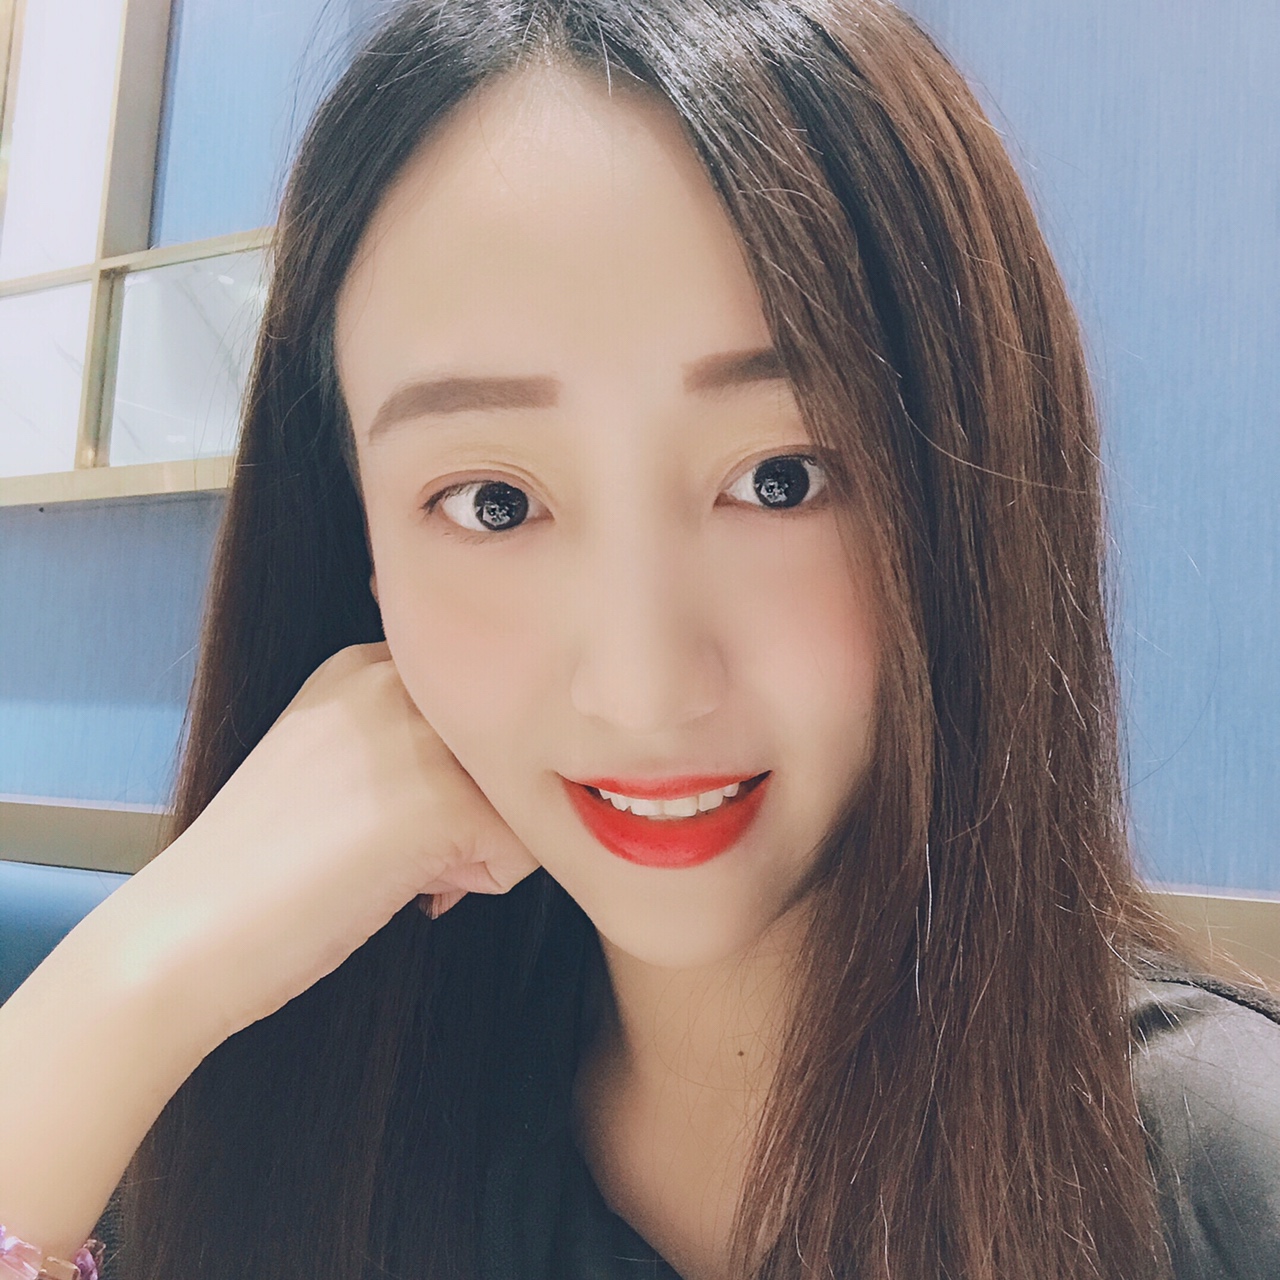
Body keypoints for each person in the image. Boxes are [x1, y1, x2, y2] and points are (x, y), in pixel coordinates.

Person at [1, 2, 1277, 1278]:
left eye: (779, 479)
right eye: (492, 502)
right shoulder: (311, 1121)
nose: (642, 687)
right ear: (362, 551)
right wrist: (126, 985)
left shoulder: (1211, 1174)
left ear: (968, 494)